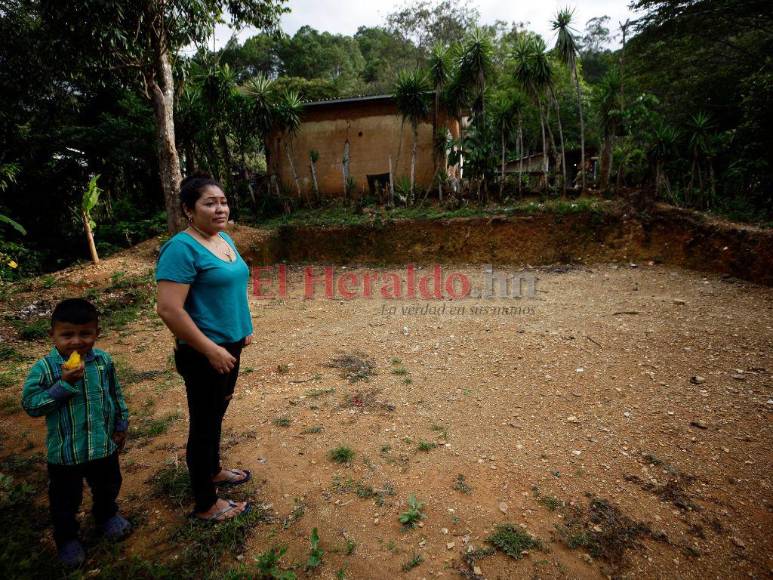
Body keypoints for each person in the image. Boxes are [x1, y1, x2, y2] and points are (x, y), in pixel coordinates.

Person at [156, 174, 254, 522]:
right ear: (188, 209)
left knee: (217, 413)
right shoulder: (181, 249)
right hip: (203, 353)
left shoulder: (223, 239)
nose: (220, 208)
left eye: (223, 201)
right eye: (209, 203)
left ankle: (212, 470)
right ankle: (206, 503)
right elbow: (169, 309)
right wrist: (210, 349)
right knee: (204, 423)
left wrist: (243, 328)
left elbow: (230, 289)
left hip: (229, 346)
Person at [22, 298, 131, 568]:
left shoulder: (103, 361)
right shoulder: (45, 368)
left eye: (85, 334)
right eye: (67, 335)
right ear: (53, 335)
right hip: (65, 453)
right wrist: (64, 384)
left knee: (108, 484)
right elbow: (32, 405)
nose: (76, 342)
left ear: (96, 333)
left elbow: (115, 394)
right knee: (64, 500)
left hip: (101, 445)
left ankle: (106, 515)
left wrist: (121, 425)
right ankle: (67, 538)